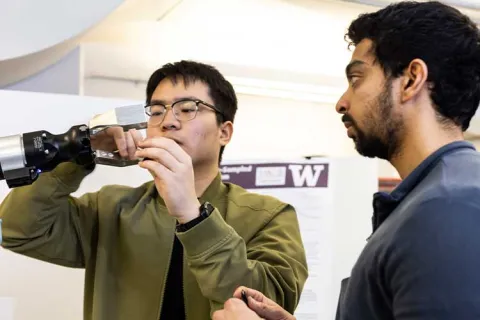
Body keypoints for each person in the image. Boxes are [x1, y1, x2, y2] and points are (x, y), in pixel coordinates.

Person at [214, 1, 480, 319]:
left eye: (356, 79)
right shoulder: (431, 200)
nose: (342, 102)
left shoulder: (448, 207)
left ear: (411, 80)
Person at [0, 60, 308, 320]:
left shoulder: (269, 216)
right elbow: (17, 230)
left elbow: (272, 302)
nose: (168, 122)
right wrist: (79, 155)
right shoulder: (112, 208)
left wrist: (193, 216)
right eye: (157, 110)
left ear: (224, 132)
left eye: (188, 109)